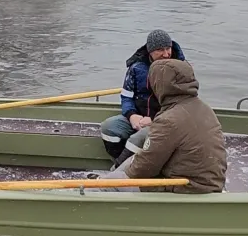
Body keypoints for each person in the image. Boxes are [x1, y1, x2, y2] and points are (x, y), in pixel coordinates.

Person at [97, 58, 227, 194]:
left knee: (111, 183)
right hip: (209, 182)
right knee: (132, 160)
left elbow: (145, 167)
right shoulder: (205, 109)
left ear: (160, 84)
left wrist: (116, 177)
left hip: (186, 187)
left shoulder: (169, 120)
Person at [100, 29, 186, 169]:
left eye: (168, 48)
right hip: (139, 117)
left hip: (165, 122)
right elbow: (126, 97)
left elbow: (182, 106)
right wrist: (132, 115)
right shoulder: (136, 67)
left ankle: (117, 171)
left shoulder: (181, 70)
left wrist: (153, 120)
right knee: (109, 128)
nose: (166, 54)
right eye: (160, 50)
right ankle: (123, 162)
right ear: (150, 51)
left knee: (137, 139)